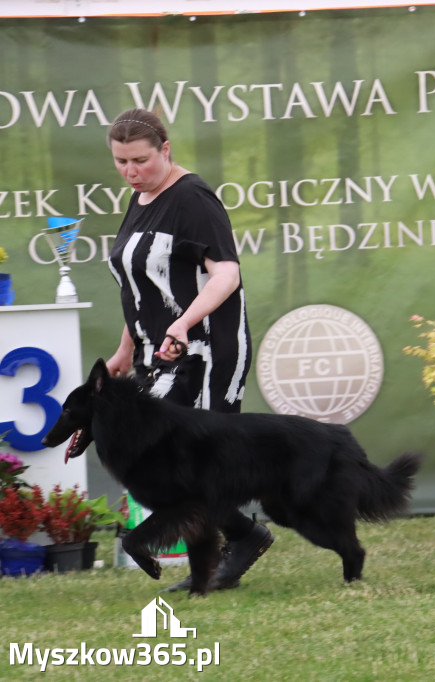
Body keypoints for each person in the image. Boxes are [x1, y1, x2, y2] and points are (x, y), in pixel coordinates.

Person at [105, 108, 272, 591]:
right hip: (157, 353)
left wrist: (183, 322)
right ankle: (242, 537)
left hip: (205, 352)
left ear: (166, 149)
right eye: (120, 162)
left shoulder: (193, 198)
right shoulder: (140, 198)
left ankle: (237, 544)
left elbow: (227, 274)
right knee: (160, 466)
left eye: (140, 160)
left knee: (181, 464)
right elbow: (142, 290)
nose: (131, 171)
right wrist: (124, 348)